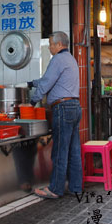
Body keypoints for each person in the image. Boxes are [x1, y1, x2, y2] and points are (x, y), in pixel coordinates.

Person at [27, 31, 81, 199]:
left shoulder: (57, 59)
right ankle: (75, 187)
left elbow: (46, 84)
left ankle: (55, 189)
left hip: (63, 108)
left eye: (51, 44)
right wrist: (32, 83)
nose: (50, 47)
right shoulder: (70, 59)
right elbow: (48, 80)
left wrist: (31, 102)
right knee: (73, 150)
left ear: (59, 45)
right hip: (74, 106)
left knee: (59, 151)